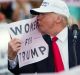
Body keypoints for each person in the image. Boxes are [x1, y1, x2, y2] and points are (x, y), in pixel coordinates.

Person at [8, 0, 80, 74]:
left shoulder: (77, 38)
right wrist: (12, 57)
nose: (37, 18)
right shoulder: (35, 43)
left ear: (58, 19)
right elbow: (24, 72)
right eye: (38, 14)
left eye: (43, 14)